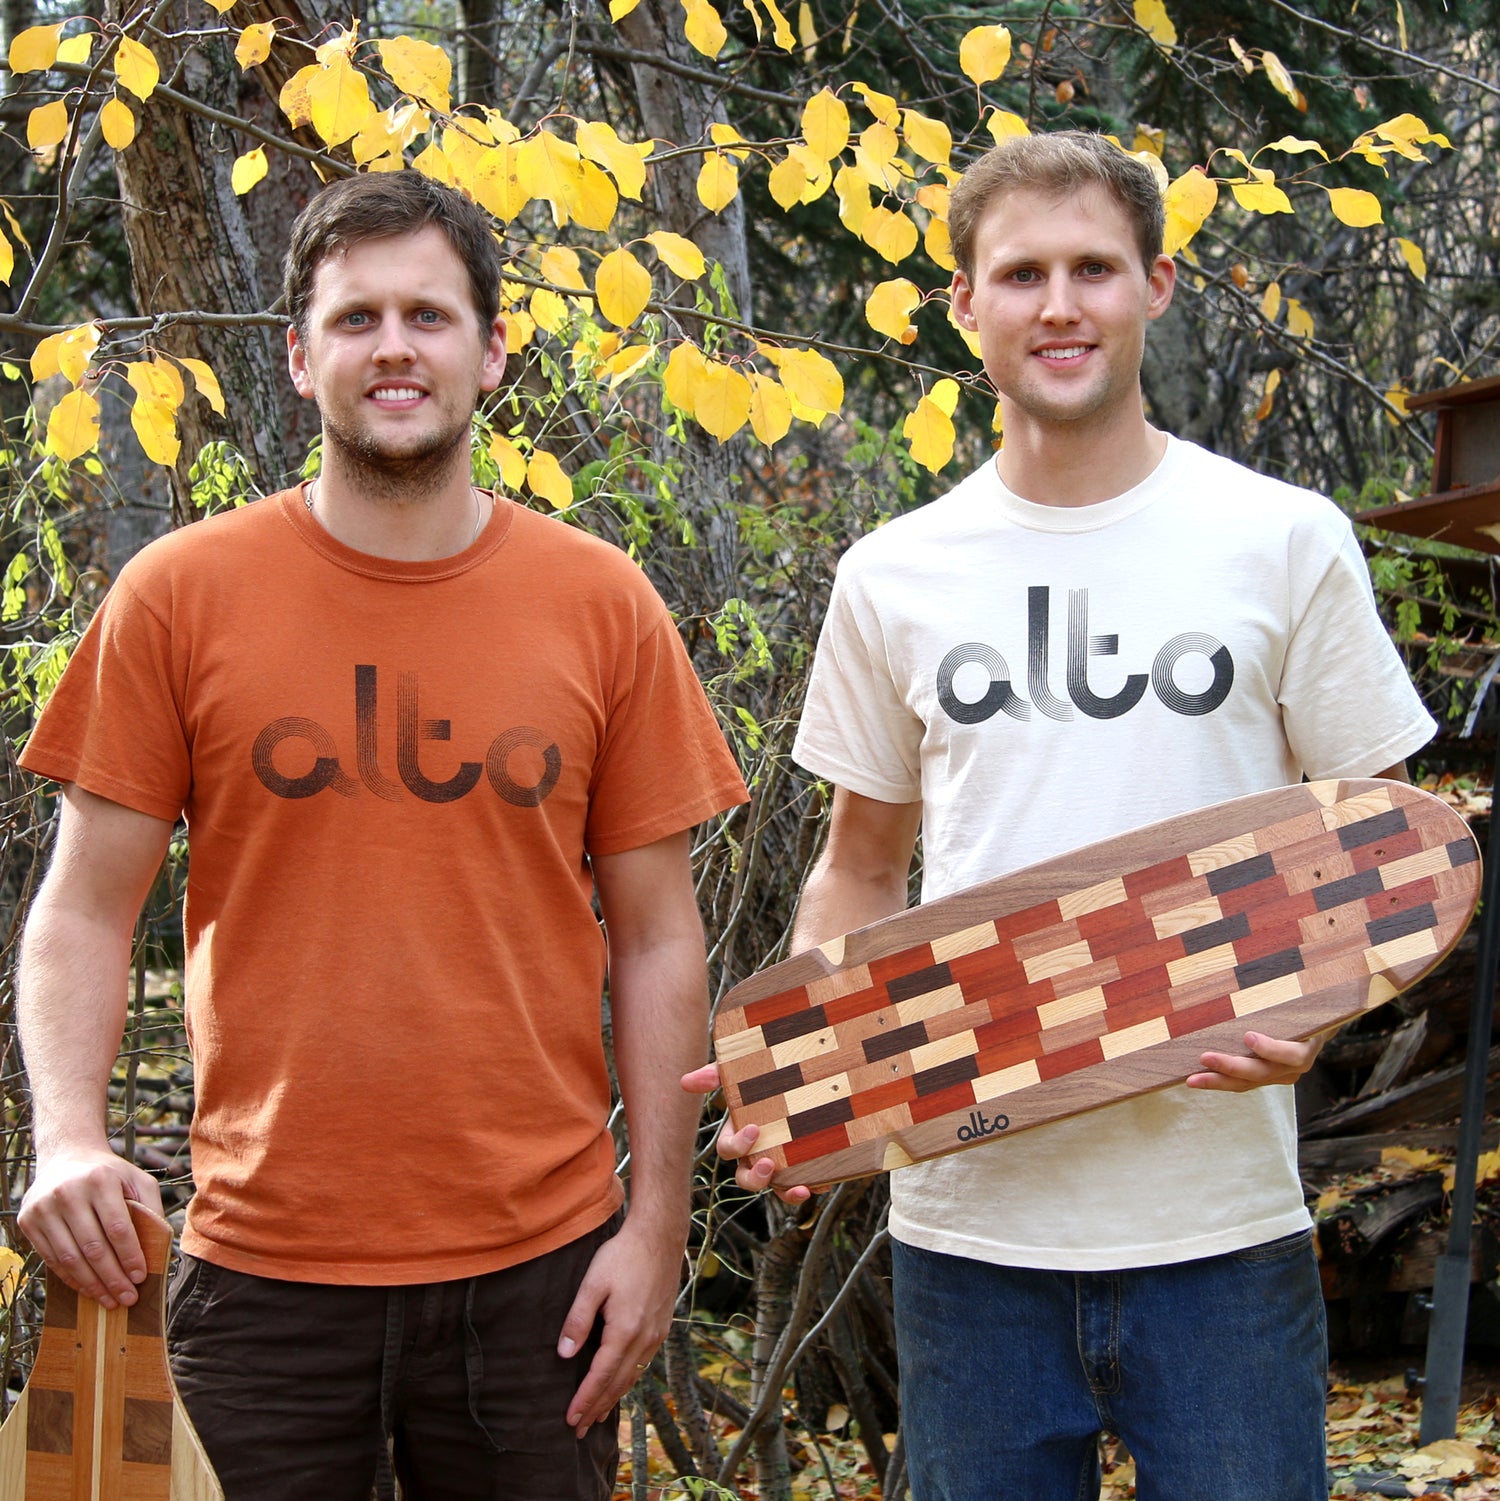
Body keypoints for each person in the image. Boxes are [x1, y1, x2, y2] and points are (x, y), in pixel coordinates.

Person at [687, 131, 1435, 1498]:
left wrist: (1314, 1016)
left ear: (1156, 283)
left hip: (1220, 1224)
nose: (1061, 304)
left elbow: (1394, 846)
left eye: (1094, 267)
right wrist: (808, 1069)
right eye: (1021, 273)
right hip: (972, 1236)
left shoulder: (1280, 536)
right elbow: (861, 867)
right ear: (966, 306)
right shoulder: (895, 572)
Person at [17, 171, 747, 1501]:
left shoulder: (601, 604)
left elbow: (655, 940)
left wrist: (656, 1227)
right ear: (300, 357)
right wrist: (68, 1133)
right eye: (356, 319)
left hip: (543, 1277)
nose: (395, 346)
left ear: (492, 350)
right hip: (259, 1274)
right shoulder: (180, 597)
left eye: (429, 312)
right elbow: (80, 907)